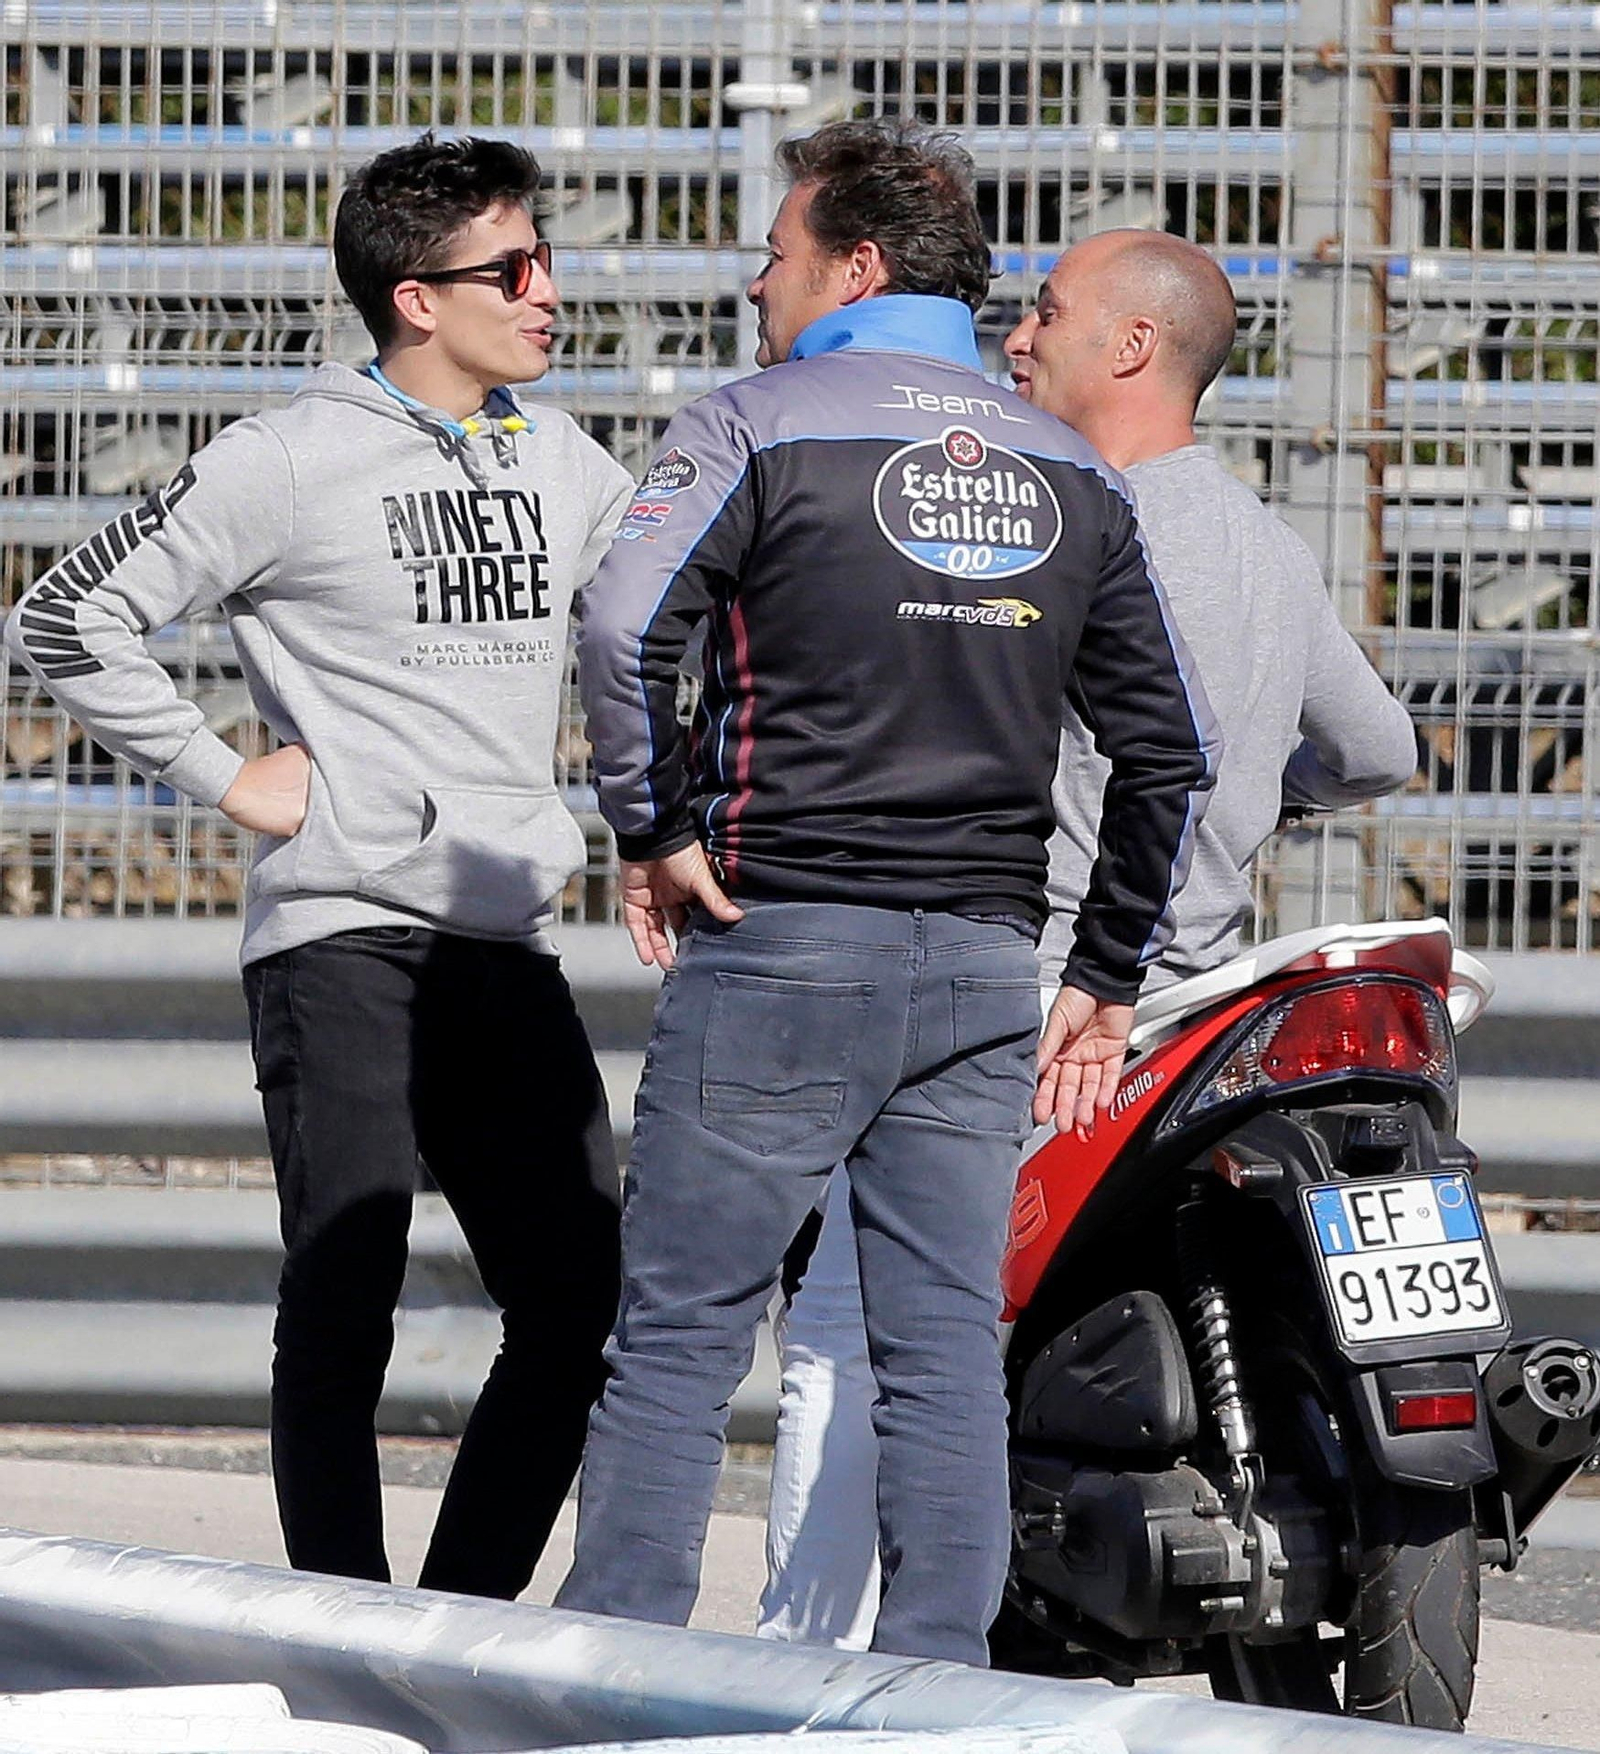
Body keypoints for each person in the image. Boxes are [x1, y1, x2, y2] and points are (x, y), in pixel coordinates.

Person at [553, 120, 1220, 1668]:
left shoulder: (755, 422)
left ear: (853, 266)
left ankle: (607, 1677)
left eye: (774, 256)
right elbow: (1165, 754)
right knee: (942, 1359)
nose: (753, 281)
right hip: (987, 968)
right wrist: (1104, 970)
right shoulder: (1067, 464)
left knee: (674, 1346)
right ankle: (941, 1687)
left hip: (777, 944)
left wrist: (650, 825)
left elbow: (620, 625)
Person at [756, 227, 1419, 1652]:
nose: (1017, 336)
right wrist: (1258, 797)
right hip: (1204, 1007)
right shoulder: (1262, 540)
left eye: (1046, 312)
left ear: (1129, 346)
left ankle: (795, 1687)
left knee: (848, 1337)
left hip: (1034, 1002)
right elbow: (1377, 747)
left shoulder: (1052, 524)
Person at [3, 133, 634, 1600]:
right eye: (517, 268)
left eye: (548, 261)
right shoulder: (285, 454)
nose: (552, 293)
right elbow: (61, 616)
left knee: (577, 1299)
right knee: (345, 1295)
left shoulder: (565, 456)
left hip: (504, 935)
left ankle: (458, 1623)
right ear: (419, 298)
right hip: (340, 935)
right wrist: (228, 776)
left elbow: (661, 623)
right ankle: (340, 1630)